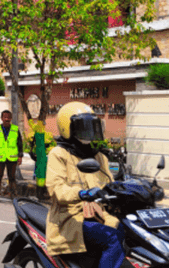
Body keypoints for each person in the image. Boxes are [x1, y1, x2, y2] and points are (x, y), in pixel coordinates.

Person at [45, 102, 125, 268]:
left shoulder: (99, 157)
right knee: (112, 238)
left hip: (98, 214)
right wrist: (81, 194)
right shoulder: (59, 154)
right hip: (70, 218)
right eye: (83, 126)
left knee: (132, 232)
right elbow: (57, 189)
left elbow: (111, 184)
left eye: (91, 126)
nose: (88, 131)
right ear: (68, 128)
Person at [0, 109, 23, 203]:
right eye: (5, 117)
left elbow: (20, 144)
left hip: (12, 158)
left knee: (12, 178)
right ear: (1, 118)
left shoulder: (15, 129)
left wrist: (20, 156)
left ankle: (14, 197)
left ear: (11, 118)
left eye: (8, 117)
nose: (6, 119)